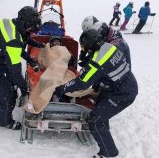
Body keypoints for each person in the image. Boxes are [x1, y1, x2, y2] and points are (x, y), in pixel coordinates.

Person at [54, 29, 138, 158]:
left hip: (122, 94)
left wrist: (63, 88)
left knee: (95, 120)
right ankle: (104, 132)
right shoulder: (110, 46)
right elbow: (104, 68)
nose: (86, 51)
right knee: (100, 110)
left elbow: (82, 82)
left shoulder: (98, 61)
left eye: (86, 48)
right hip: (122, 85)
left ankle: (109, 153)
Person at [0, 6, 43, 130]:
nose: (31, 32)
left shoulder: (8, 23)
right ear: (25, 23)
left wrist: (32, 57)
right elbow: (15, 71)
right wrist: (24, 88)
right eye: (31, 29)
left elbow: (19, 44)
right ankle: (5, 122)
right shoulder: (14, 41)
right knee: (8, 94)